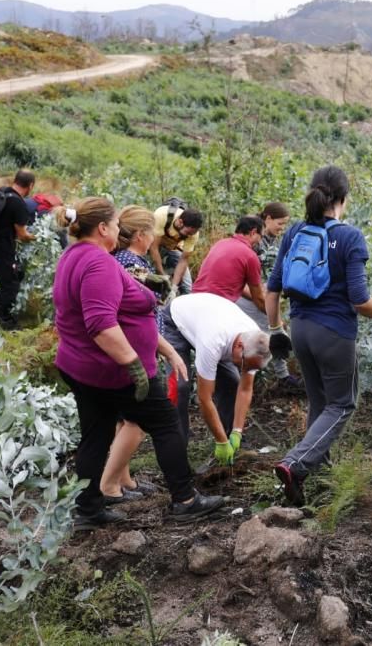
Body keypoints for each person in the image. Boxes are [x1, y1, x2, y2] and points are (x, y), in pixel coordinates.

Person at [52, 197, 224, 530]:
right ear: (102, 228)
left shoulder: (74, 255)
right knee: (165, 423)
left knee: (96, 434)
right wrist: (133, 365)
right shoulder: (98, 263)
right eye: (115, 225)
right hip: (111, 371)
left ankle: (87, 509)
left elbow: (119, 307)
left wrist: (167, 350)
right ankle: (185, 500)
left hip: (81, 367)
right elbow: (101, 324)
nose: (119, 229)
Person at [266, 166, 372, 507]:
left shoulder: (294, 231)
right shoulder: (349, 237)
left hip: (301, 330)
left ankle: (317, 475)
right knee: (342, 402)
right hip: (333, 332)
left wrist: (276, 331)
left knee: (321, 404)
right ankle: (295, 464)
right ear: (342, 199)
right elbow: (360, 299)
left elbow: (273, 287)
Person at [99, 205, 174, 504]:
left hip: (129, 349)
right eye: (152, 233)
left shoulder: (122, 259)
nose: (155, 238)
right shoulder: (132, 265)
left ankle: (124, 478)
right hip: (135, 352)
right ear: (141, 235)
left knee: (125, 420)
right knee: (137, 423)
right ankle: (110, 486)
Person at [160, 292, 272, 463]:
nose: (246, 370)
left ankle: (232, 443)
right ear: (239, 346)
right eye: (245, 365)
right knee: (180, 387)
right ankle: (176, 452)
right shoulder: (213, 341)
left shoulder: (255, 345)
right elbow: (204, 398)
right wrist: (221, 442)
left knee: (233, 382)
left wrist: (237, 431)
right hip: (176, 321)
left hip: (207, 322)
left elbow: (245, 388)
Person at [235, 202, 303, 391]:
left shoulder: (273, 241)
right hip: (248, 295)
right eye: (280, 223)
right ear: (268, 219)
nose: (282, 228)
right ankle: (280, 377)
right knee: (273, 330)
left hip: (264, 294)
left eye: (285, 224)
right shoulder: (255, 239)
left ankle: (273, 376)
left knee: (273, 329)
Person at [0, 169, 36, 328]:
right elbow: (23, 235)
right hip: (2, 248)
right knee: (11, 285)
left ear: (15, 180)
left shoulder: (2, 192)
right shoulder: (18, 203)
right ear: (30, 185)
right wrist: (38, 237)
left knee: (10, 279)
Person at [193, 215, 265, 308]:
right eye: (261, 236)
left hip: (195, 297)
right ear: (253, 232)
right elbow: (258, 299)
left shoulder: (220, 243)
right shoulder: (250, 256)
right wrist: (278, 321)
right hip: (216, 305)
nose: (260, 241)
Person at [150, 199, 202, 295]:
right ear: (180, 222)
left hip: (173, 248)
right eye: (188, 233)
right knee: (152, 275)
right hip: (153, 245)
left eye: (192, 234)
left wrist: (173, 287)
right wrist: (163, 276)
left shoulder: (193, 233)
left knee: (187, 287)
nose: (190, 236)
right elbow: (154, 248)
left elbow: (183, 260)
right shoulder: (161, 215)